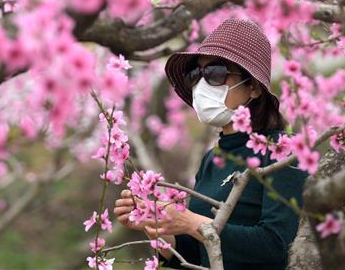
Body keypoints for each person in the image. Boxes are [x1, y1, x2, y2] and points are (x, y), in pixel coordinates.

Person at [113, 17, 308, 269]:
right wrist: (158, 226)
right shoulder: (213, 158)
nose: (202, 84)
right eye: (196, 74)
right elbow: (199, 254)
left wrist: (192, 223)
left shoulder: (283, 151)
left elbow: (276, 247)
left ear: (254, 88)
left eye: (216, 73)